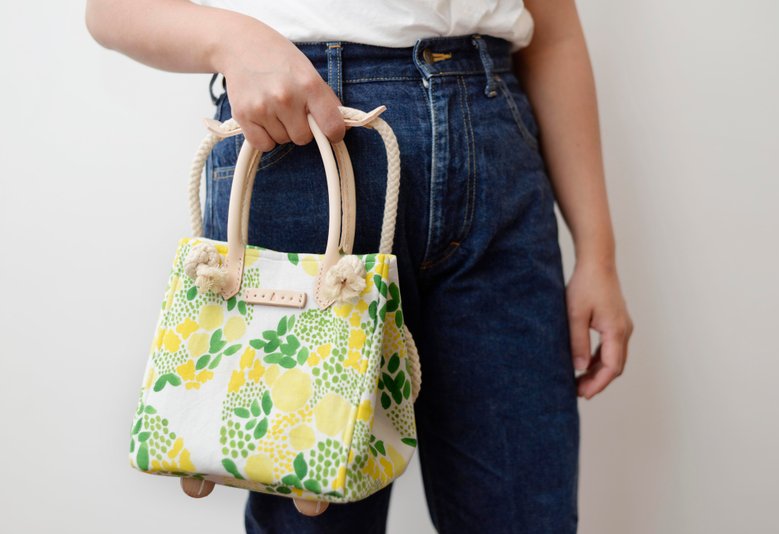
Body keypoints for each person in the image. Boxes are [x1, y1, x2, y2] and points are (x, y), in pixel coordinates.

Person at [86, 0, 634, 531]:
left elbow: (554, 30)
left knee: (525, 512)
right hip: (298, 134)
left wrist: (598, 254)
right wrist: (234, 39)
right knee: (307, 516)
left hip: (493, 137)